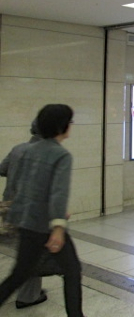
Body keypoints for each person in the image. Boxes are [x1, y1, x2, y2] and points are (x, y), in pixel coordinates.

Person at [0, 104, 85, 316]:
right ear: (61, 126)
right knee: (72, 271)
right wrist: (58, 226)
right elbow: (58, 193)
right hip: (45, 225)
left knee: (20, 273)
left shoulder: (26, 151)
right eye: (70, 122)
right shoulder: (61, 155)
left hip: (26, 223)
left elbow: (18, 186)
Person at [0, 120, 47, 309]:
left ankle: (25, 292)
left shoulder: (17, 149)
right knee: (33, 255)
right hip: (30, 212)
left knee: (24, 254)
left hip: (9, 208)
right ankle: (28, 296)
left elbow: (2, 169)